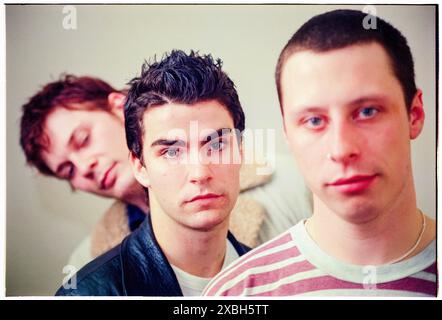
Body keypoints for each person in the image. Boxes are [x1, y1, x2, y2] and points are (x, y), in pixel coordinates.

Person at [204, 9, 436, 297]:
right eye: (314, 121)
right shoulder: (235, 294)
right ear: (287, 133)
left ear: (415, 114)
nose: (341, 150)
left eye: (367, 111)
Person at [20, 74, 311, 269]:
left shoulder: (291, 180)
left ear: (118, 106)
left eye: (83, 139)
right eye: (68, 170)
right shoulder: (87, 263)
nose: (85, 168)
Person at [55, 49, 261, 295]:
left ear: (240, 150)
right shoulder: (88, 294)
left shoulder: (276, 278)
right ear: (140, 166)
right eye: (172, 152)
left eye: (216, 145)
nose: (199, 172)